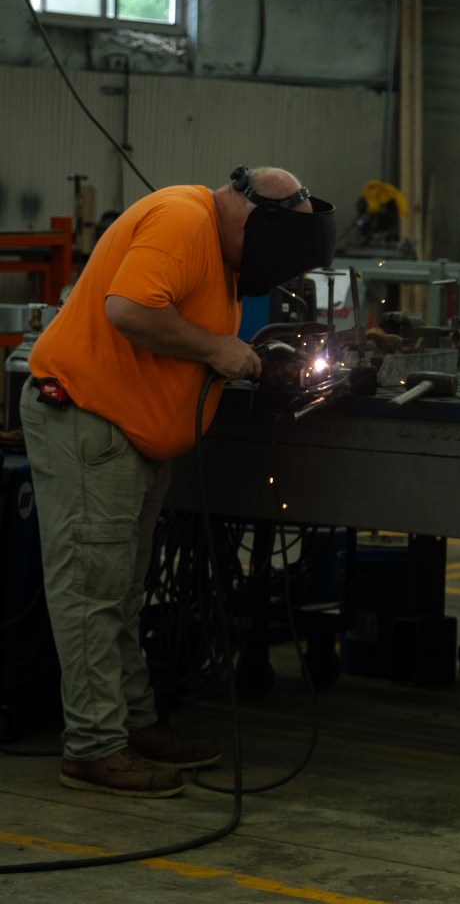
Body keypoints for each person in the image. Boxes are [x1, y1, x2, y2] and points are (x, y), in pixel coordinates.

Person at [19, 165, 335, 799]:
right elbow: (130, 309)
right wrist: (218, 350)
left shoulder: (215, 243)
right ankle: (92, 748)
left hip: (129, 437)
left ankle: (131, 725)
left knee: (123, 591)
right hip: (90, 422)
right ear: (256, 219)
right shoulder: (184, 219)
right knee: (91, 593)